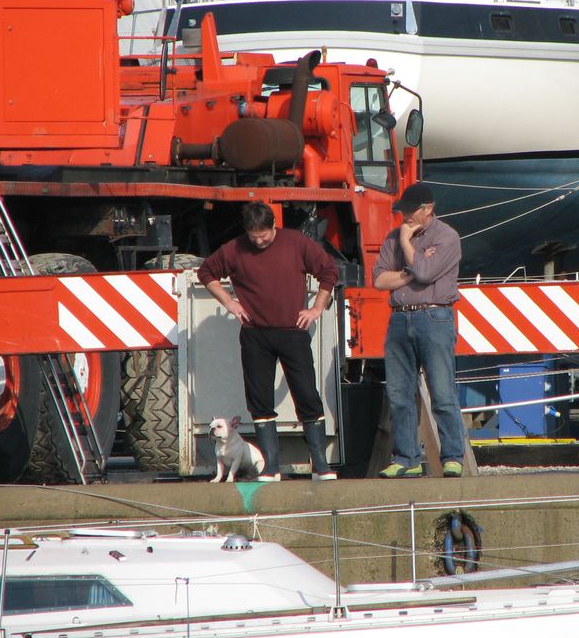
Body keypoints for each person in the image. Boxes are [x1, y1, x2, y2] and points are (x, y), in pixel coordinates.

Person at [197, 202, 339, 481]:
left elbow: (329, 271)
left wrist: (316, 309)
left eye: (265, 235)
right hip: (255, 334)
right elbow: (206, 273)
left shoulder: (296, 242)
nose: (260, 241)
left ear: (274, 226)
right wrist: (230, 303)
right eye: (254, 237)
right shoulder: (234, 249)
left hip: (293, 331)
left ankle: (320, 465)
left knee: (307, 395)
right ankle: (272, 466)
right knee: (260, 400)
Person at [372, 182, 465, 478]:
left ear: (428, 209)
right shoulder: (392, 237)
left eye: (411, 211)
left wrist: (407, 244)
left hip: (434, 317)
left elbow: (426, 273)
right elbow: (379, 281)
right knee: (399, 393)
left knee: (442, 390)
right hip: (400, 318)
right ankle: (407, 458)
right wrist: (411, 271)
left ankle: (452, 456)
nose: (405, 217)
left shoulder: (447, 237)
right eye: (403, 211)